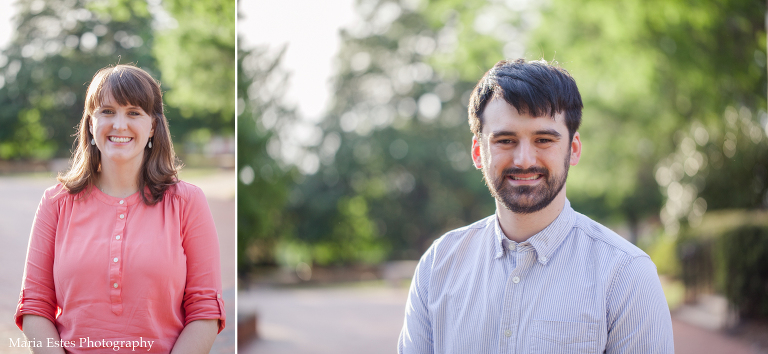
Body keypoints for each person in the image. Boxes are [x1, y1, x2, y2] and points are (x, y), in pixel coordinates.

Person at [397, 59, 673, 354]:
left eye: (543, 139)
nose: (524, 160)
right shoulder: (437, 266)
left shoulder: (626, 275)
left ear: (573, 149)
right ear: (479, 152)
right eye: (505, 140)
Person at [15, 64, 225, 353]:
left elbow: (205, 310)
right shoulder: (55, 203)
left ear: (152, 126)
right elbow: (35, 306)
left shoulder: (187, 203)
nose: (119, 124)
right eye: (108, 111)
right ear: (91, 123)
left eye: (134, 112)